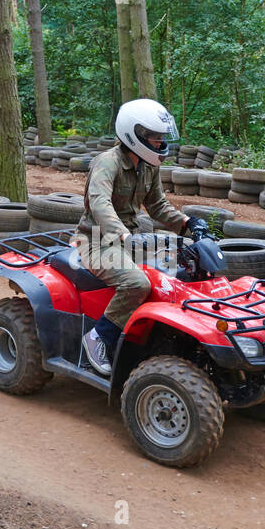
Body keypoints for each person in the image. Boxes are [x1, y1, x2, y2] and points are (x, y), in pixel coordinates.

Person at [76, 98, 208, 375]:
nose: (161, 143)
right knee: (137, 283)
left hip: (135, 239)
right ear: (135, 135)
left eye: (162, 137)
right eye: (156, 137)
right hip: (98, 240)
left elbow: (158, 205)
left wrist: (188, 224)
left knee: (178, 275)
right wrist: (122, 235)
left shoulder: (149, 165)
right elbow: (100, 202)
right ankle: (99, 337)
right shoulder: (106, 163)